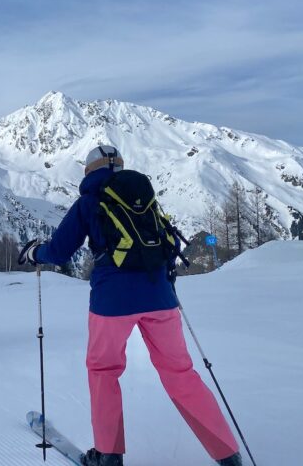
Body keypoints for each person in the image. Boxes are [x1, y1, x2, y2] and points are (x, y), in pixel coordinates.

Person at [18, 145, 242, 466]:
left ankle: (109, 456)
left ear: (88, 172)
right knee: (181, 373)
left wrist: (34, 253)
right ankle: (227, 453)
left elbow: (60, 250)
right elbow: (171, 241)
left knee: (104, 370)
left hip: (113, 301)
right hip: (160, 296)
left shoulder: (89, 201)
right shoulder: (144, 198)